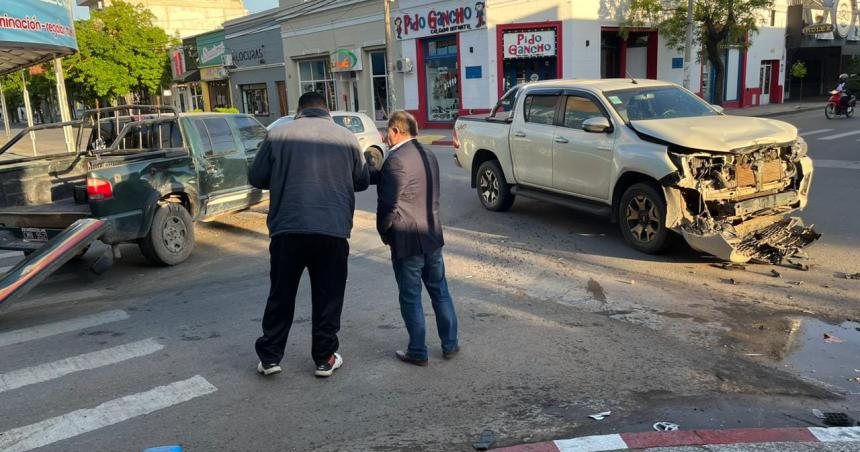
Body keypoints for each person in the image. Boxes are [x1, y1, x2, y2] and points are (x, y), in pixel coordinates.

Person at [249, 91, 370, 378]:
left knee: (281, 294)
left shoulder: (277, 135)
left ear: (298, 111)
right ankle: (324, 358)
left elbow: (256, 177)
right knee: (328, 296)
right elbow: (362, 181)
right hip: (332, 231)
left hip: (287, 229)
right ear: (327, 110)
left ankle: (270, 357)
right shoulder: (347, 138)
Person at [373, 111, 459, 366]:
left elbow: (388, 205)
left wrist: (384, 232)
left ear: (396, 131)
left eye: (387, 130)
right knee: (440, 291)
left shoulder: (396, 160)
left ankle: (418, 350)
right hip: (432, 236)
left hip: (408, 241)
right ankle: (450, 343)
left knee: (410, 296)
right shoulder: (428, 154)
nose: (385, 136)